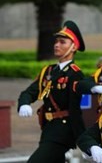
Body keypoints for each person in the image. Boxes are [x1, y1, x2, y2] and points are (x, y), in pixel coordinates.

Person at [17, 20, 86, 163]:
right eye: (56, 42)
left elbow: (76, 109)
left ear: (73, 47)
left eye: (62, 42)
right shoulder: (48, 71)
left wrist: (84, 141)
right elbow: (29, 92)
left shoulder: (75, 74)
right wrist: (24, 103)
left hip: (63, 132)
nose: (56, 45)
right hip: (48, 129)